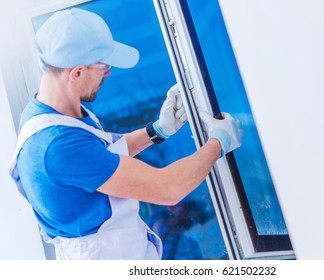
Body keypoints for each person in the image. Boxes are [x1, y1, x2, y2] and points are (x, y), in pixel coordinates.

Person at [9, 8, 242, 260]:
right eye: (103, 66)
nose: (109, 73)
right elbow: (168, 188)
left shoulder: (48, 113)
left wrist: (158, 130)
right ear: (76, 72)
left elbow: (100, 157)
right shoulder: (55, 146)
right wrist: (218, 142)